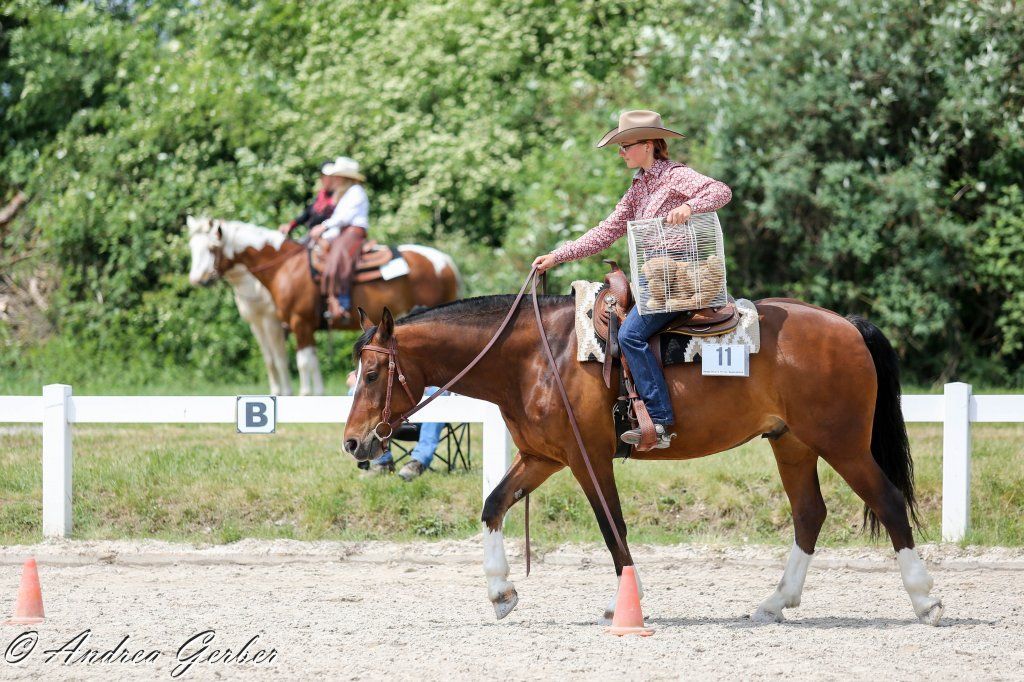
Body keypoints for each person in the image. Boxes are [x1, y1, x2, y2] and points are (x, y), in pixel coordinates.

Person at [532, 110, 732, 449]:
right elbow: (606, 231)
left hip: (681, 279)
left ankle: (659, 420)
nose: (621, 152)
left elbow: (720, 191)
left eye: (626, 145)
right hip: (654, 282)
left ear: (649, 145)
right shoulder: (638, 187)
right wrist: (559, 254)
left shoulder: (674, 176)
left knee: (631, 333)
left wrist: (691, 207)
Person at [346, 371, 446, 481]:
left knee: (438, 391)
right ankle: (381, 462)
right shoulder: (388, 358)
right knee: (356, 391)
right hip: (392, 422)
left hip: (428, 419)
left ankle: (419, 462)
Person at [308, 157, 370, 321]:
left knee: (337, 259)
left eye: (336, 176)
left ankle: (342, 303)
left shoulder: (356, 192)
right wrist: (323, 237)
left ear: (344, 178)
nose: (333, 180)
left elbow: (344, 218)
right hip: (343, 232)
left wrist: (323, 227)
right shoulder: (345, 194)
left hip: (354, 232)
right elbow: (338, 221)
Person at [278, 161, 338, 235]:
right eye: (322, 176)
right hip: (313, 235)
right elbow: (307, 213)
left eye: (327, 176)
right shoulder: (322, 195)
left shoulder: (339, 197)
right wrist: (290, 225)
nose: (322, 179)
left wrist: (324, 226)